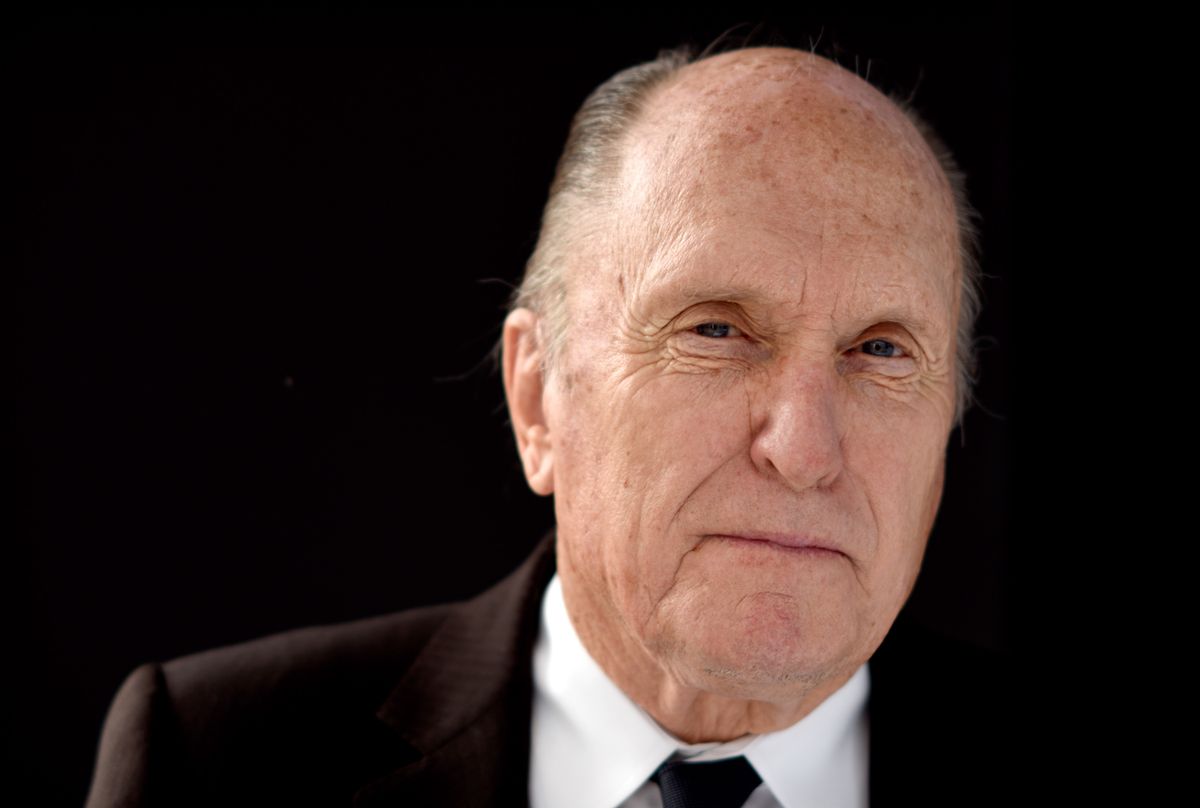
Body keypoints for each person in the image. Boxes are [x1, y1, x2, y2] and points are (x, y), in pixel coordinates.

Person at [86, 43, 1006, 808]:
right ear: (538, 399)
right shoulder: (213, 763)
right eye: (715, 331)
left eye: (882, 352)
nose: (805, 450)